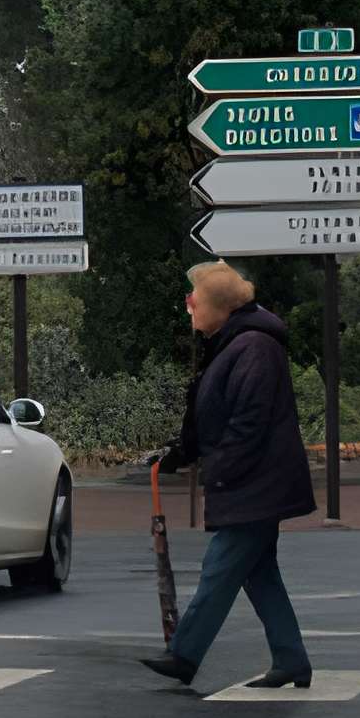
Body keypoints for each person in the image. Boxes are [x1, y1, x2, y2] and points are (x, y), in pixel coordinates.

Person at [140, 260, 316, 689]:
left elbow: (249, 419)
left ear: (217, 305)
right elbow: (216, 412)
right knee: (259, 574)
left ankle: (184, 654)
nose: (189, 308)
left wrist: (220, 469)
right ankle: (291, 658)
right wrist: (183, 452)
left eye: (194, 301)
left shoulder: (252, 346)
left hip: (255, 482)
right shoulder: (235, 341)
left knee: (220, 569)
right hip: (255, 479)